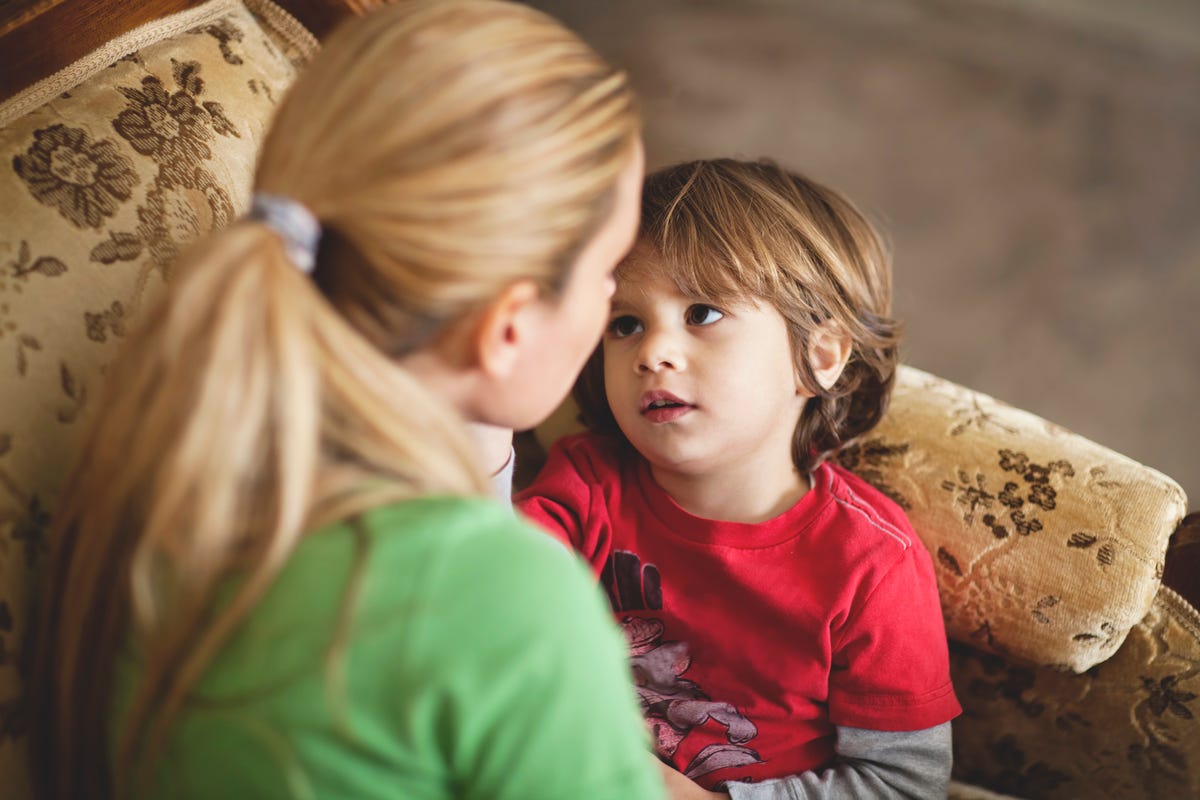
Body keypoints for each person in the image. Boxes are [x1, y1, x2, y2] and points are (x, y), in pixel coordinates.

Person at [29, 2, 665, 798]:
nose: (610, 298)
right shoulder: (512, 604)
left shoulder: (176, 477)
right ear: (506, 327)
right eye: (607, 268)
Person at [517, 158, 962, 799]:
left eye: (702, 313)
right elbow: (482, 601)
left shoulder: (871, 566)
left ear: (820, 357)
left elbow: (900, 785)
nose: (652, 352)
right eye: (625, 323)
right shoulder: (585, 484)